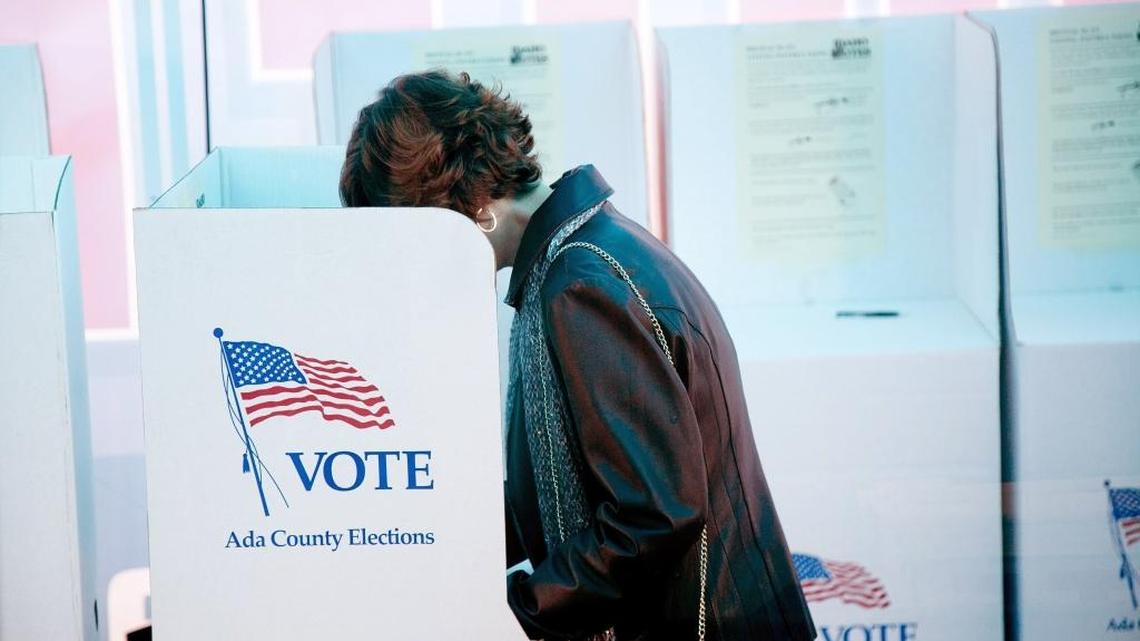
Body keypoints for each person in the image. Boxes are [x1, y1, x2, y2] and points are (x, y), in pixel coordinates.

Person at [339, 70, 816, 641]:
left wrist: (511, 610)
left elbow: (652, 517)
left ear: (464, 208)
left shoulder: (578, 284)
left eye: (413, 236)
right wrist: (432, 552)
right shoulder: (594, 248)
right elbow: (555, 492)